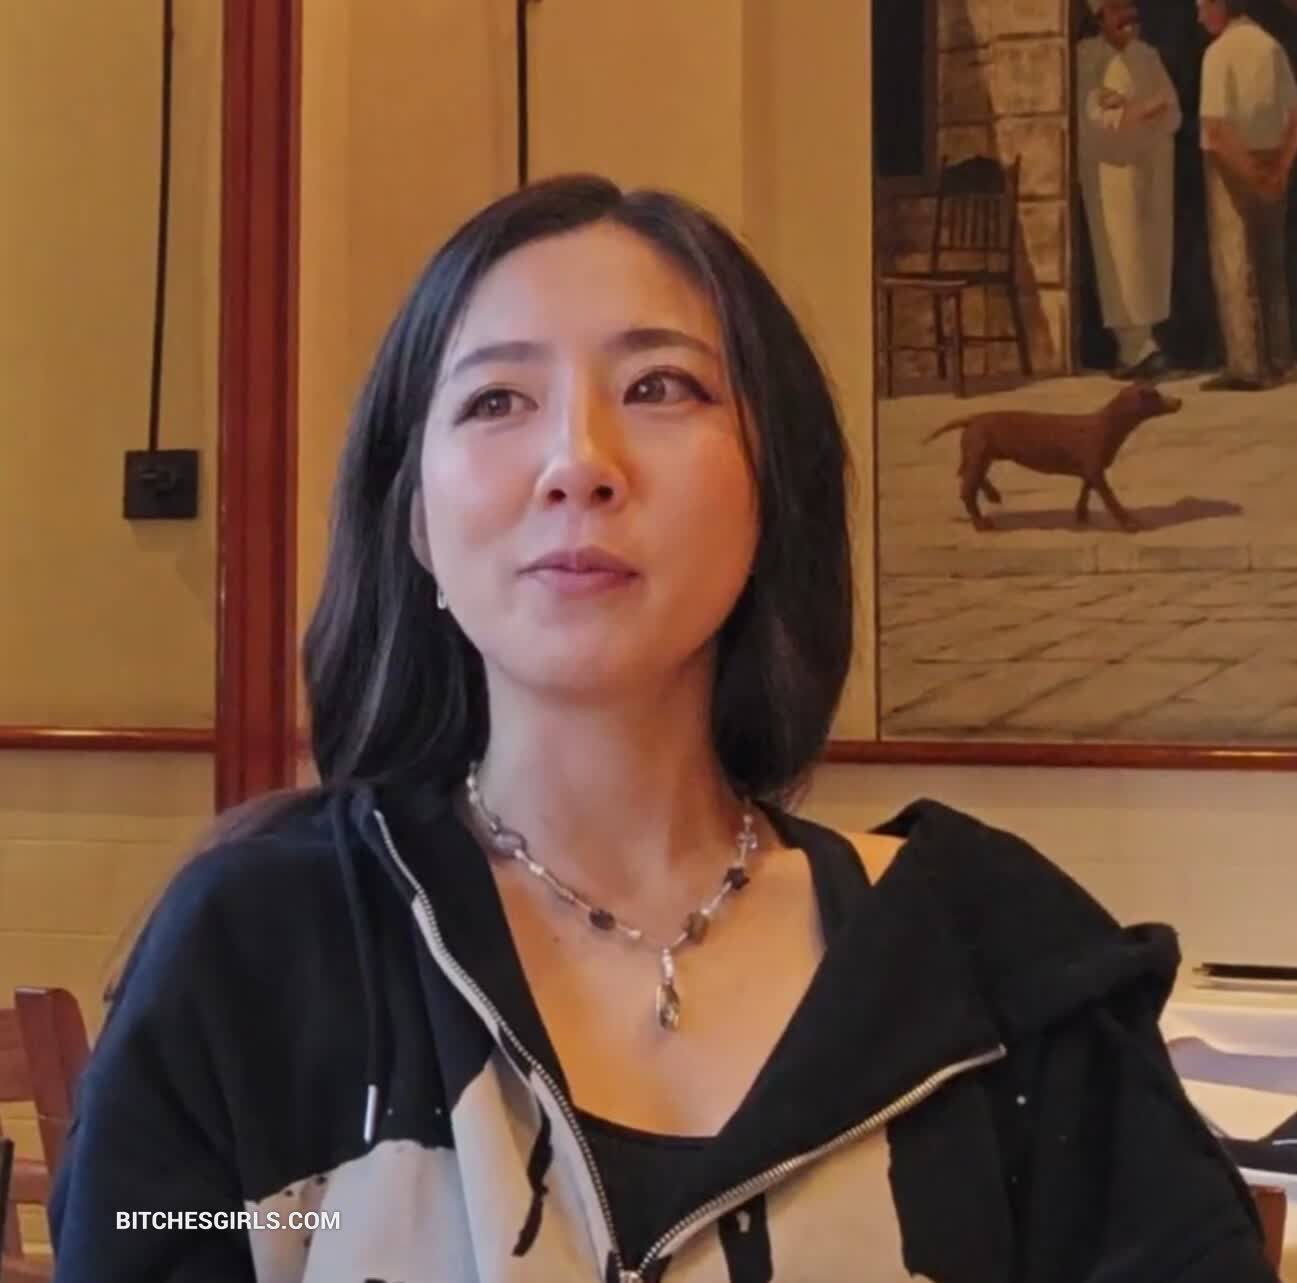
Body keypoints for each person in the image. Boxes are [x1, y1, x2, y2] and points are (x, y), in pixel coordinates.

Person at [50, 177, 1278, 1282]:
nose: (577, 462)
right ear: (416, 520)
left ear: (770, 486)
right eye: (495, 399)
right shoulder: (258, 952)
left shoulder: (1002, 960)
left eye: (659, 387)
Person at [1077, 0, 1182, 380]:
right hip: (1112, 174)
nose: (1127, 19)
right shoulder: (1087, 57)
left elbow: (1172, 110)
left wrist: (1137, 111)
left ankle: (1146, 344)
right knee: (1122, 257)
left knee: (1151, 256)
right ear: (1100, 17)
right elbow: (1099, 118)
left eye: (1130, 9)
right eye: (1117, 10)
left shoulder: (1147, 56)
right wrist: (1139, 110)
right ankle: (1135, 348)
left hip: (1152, 168)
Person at [1197, 0, 1297, 389]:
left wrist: (1251, 174)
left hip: (1231, 164)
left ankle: (1246, 365)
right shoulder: (1271, 46)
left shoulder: (1218, 53)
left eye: (1203, 7)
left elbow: (1216, 128)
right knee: (1271, 263)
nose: (1199, 17)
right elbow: (1294, 116)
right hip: (1273, 160)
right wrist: (1279, 170)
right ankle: (1281, 360)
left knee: (1234, 262)